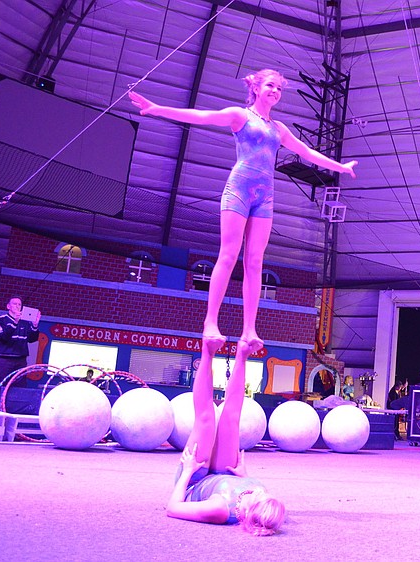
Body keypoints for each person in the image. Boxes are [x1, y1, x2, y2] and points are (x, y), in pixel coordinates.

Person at [129, 70, 357, 351]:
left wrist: (341, 168)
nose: (275, 91)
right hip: (238, 190)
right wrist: (157, 109)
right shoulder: (240, 116)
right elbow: (202, 116)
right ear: (257, 88)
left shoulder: (279, 129)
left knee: (255, 262)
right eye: (270, 86)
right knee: (228, 254)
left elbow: (307, 153)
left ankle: (249, 329)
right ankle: (210, 321)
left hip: (265, 196)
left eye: (279, 89)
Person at [167, 337, 285, 535]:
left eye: (258, 497)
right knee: (231, 419)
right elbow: (257, 493)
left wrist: (187, 471)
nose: (259, 492)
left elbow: (173, 508)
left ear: (247, 511)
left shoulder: (221, 510)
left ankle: (207, 350)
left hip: (193, 480)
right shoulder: (259, 492)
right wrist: (244, 476)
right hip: (226, 473)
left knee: (206, 420)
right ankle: (242, 354)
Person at [0, 296, 40, 386]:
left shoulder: (25, 322)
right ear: (8, 306)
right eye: (14, 304)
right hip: (4, 359)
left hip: (20, 360)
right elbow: (4, 336)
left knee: (19, 386)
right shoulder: (2, 319)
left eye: (19, 304)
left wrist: (35, 325)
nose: (17, 306)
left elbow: (32, 339)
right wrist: (15, 322)